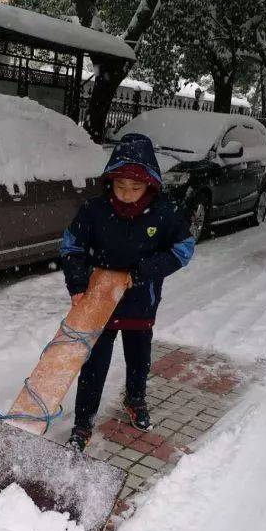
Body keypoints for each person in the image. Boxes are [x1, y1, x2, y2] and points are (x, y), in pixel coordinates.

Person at [60, 132, 195, 452]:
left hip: (139, 303)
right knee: (93, 365)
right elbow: (71, 245)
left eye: (135, 187)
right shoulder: (94, 210)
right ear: (110, 181)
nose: (127, 193)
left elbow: (183, 250)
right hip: (100, 304)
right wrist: (77, 283)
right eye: (120, 186)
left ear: (150, 184)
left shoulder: (164, 213)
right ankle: (83, 423)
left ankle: (136, 399)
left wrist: (141, 274)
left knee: (139, 359)